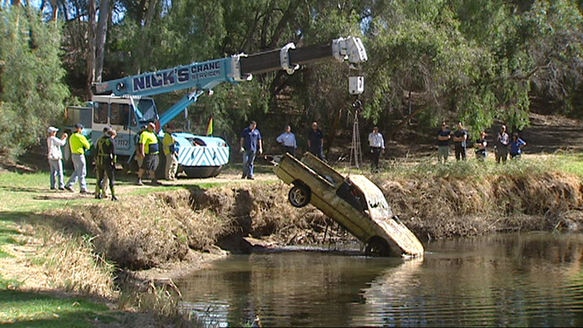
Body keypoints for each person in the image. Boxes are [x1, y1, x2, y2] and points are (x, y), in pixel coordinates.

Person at [65, 123, 91, 193]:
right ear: (79, 129)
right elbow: (88, 146)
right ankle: (83, 188)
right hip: (79, 155)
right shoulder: (80, 136)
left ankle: (69, 184)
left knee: (77, 171)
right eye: (81, 129)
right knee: (82, 172)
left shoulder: (72, 136)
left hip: (73, 155)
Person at [95, 129, 118, 200]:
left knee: (100, 178)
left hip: (100, 160)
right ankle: (113, 195)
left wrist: (96, 161)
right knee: (111, 178)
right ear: (113, 135)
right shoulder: (110, 141)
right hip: (107, 161)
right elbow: (114, 153)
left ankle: (97, 194)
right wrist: (114, 163)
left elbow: (96, 151)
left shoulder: (100, 140)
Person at [46, 126, 68, 190]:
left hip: (50, 157)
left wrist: (62, 138)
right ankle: (61, 185)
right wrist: (64, 138)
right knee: (59, 171)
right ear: (52, 132)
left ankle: (52, 185)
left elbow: (57, 143)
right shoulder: (53, 138)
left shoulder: (49, 139)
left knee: (53, 172)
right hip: (56, 157)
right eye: (54, 132)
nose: (55, 133)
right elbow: (61, 143)